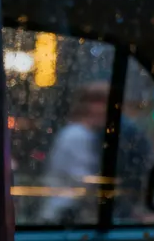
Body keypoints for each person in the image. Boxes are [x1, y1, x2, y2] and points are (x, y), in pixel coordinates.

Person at [39, 83, 109, 224]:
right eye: (99, 102)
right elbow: (82, 180)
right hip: (64, 215)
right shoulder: (78, 135)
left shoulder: (83, 134)